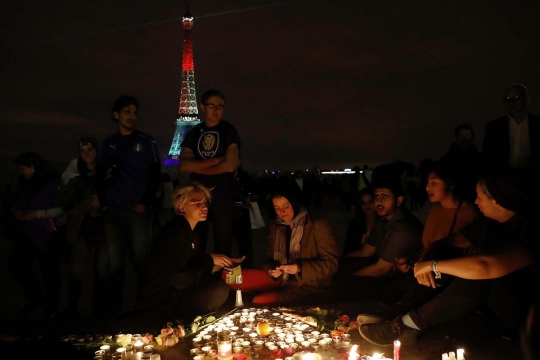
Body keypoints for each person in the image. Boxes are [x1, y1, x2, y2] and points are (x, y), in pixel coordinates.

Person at [358, 169, 539, 346]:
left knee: (477, 274)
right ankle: (399, 310)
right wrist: (426, 262)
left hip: (523, 316)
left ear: (497, 201)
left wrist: (434, 265)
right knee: (445, 253)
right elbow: (449, 242)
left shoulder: (530, 230)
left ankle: (408, 326)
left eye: (480, 197)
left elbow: (487, 266)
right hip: (491, 306)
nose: (476, 202)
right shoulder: (490, 222)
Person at [95, 95, 162, 317]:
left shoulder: (147, 142)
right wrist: (104, 205)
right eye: (127, 112)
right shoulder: (108, 143)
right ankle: (115, 308)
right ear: (116, 115)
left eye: (134, 112)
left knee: (141, 260)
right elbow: (100, 176)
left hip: (136, 211)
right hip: (113, 211)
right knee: (115, 263)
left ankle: (144, 305)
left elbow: (155, 176)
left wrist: (144, 203)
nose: (132, 116)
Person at [135, 182, 234, 327]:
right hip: (164, 300)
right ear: (182, 207)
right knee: (219, 290)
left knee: (221, 287)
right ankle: (179, 322)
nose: (204, 206)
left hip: (178, 292)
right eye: (196, 202)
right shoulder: (174, 233)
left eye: (205, 201)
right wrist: (210, 261)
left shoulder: (191, 231)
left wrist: (215, 265)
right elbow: (179, 278)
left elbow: (193, 264)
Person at [231, 187, 339, 305]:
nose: (282, 212)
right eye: (277, 208)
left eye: (286, 206)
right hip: (281, 278)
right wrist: (272, 269)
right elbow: (268, 259)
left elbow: (331, 264)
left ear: (295, 203)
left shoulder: (318, 225)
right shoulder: (276, 226)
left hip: (307, 283)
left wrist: (299, 268)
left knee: (259, 300)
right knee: (232, 277)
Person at [339, 176, 424, 303]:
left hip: (402, 282)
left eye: (384, 197)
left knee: (344, 287)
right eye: (376, 197)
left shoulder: (403, 227)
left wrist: (347, 278)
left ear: (399, 200)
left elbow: (381, 269)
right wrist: (335, 262)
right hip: (384, 272)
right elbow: (365, 252)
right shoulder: (383, 219)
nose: (378, 202)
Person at [178, 89, 241, 256]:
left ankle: (221, 278)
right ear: (202, 107)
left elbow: (229, 166)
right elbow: (183, 166)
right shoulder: (194, 133)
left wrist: (198, 166)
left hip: (222, 196)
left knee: (223, 244)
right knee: (197, 243)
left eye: (220, 106)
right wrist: (215, 161)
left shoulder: (229, 130)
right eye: (212, 105)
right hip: (198, 198)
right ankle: (199, 277)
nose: (216, 110)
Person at [9, 152, 67, 320]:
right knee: (17, 264)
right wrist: (17, 211)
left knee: (49, 271)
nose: (21, 173)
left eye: (22, 169)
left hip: (49, 233)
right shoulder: (25, 184)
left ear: (33, 167)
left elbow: (61, 208)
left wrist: (37, 214)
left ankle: (51, 308)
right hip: (28, 232)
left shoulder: (53, 184)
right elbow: (17, 202)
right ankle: (36, 299)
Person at [58, 137, 105, 319]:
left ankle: (98, 308)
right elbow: (68, 199)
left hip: (101, 226)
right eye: (83, 151)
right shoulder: (74, 172)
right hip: (82, 227)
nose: (87, 154)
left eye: (90, 150)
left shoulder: (104, 170)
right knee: (77, 269)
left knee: (101, 269)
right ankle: (72, 307)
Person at [482, 84, 539, 170]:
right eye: (507, 99)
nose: (511, 102)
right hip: (504, 176)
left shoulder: (537, 123)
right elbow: (488, 156)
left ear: (527, 100)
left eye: (516, 98)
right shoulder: (495, 127)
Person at [342, 186, 377, 255]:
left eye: (370, 201)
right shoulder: (355, 224)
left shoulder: (383, 223)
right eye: (363, 203)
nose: (367, 205)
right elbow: (348, 249)